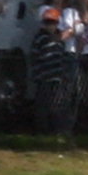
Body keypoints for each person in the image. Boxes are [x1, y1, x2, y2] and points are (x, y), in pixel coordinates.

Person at [29, 7, 73, 135]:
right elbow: (34, 57)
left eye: (53, 22)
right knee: (42, 106)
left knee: (58, 105)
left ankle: (57, 130)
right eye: (47, 22)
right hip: (44, 78)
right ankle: (42, 131)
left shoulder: (59, 40)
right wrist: (38, 73)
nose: (50, 25)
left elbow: (61, 57)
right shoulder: (40, 38)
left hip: (57, 78)